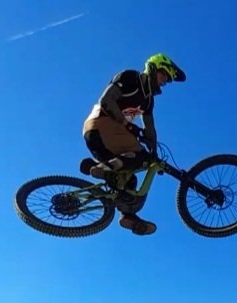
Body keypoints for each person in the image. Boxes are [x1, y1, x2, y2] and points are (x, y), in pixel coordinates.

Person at [79, 53, 186, 235]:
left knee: (129, 178)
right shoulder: (130, 78)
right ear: (153, 68)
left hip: (105, 141)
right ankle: (102, 168)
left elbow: (150, 129)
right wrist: (127, 125)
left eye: (166, 80)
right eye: (163, 76)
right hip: (100, 125)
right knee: (140, 156)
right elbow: (106, 100)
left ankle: (127, 216)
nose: (163, 82)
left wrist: (154, 155)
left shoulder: (148, 100)